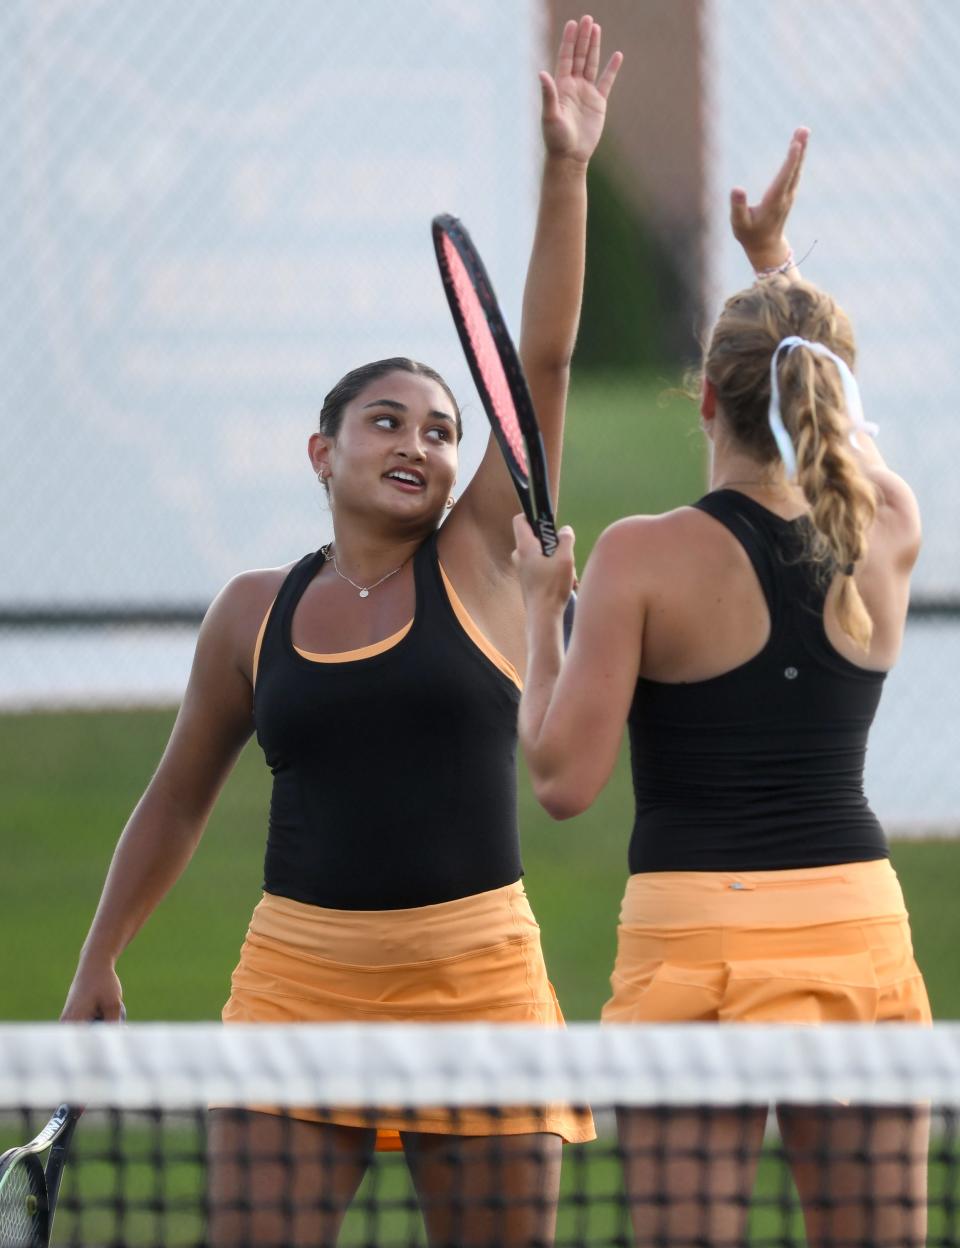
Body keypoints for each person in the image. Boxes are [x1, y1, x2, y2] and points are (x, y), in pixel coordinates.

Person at [60, 17, 622, 1248]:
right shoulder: (249, 613)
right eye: (387, 421)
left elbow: (544, 356)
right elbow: (175, 800)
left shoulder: (478, 557)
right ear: (324, 453)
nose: (419, 442)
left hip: (477, 987)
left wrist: (569, 170)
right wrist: (101, 955)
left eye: (438, 428)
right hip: (294, 992)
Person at [512, 129, 931, 1247]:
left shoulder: (641, 558)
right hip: (855, 925)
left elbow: (559, 779)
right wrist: (774, 261)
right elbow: (816, 383)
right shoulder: (889, 524)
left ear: (702, 400)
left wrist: (532, 616)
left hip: (691, 940)